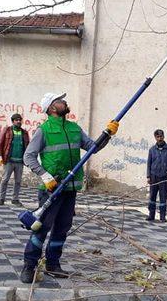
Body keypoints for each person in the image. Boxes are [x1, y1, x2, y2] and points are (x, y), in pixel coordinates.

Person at [21, 92, 119, 285]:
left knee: (62, 229)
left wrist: (107, 134)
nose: (64, 102)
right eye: (60, 101)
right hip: (51, 189)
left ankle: (53, 264)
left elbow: (93, 147)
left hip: (70, 189)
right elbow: (28, 157)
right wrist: (45, 175)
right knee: (41, 229)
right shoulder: (44, 130)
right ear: (51, 108)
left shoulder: (74, 128)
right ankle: (29, 266)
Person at [0, 113, 30, 206]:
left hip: (19, 161)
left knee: (18, 181)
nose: (19, 122)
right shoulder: (7, 130)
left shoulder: (24, 133)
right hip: (8, 160)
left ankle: (15, 199)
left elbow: (28, 147)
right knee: (5, 180)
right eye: (16, 120)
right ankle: (1, 198)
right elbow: (0, 143)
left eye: (20, 120)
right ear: (13, 121)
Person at [146, 129, 167, 222]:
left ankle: (162, 216)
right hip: (153, 176)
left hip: (164, 176)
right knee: (152, 196)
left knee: (163, 196)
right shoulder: (152, 150)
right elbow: (149, 163)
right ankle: (151, 215)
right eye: (157, 137)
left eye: (161, 136)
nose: (160, 138)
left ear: (164, 136)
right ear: (155, 137)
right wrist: (148, 176)